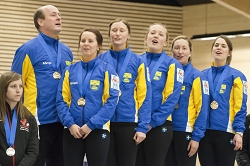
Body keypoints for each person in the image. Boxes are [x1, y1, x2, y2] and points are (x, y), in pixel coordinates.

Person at [11, 5, 73, 166]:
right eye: (53, 15)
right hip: (36, 122)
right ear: (40, 21)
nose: (59, 17)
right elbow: (12, 86)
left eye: (59, 14)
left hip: (63, 121)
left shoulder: (67, 51)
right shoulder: (27, 50)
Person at [56, 28, 119, 166]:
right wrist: (70, 124)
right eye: (83, 41)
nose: (86, 44)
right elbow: (61, 100)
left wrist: (91, 125)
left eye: (90, 41)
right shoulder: (69, 71)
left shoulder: (108, 70)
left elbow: (112, 101)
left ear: (98, 45)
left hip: (97, 130)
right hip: (72, 131)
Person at [98, 18, 151, 166]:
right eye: (114, 30)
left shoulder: (138, 61)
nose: (117, 34)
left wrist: (142, 127)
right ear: (109, 34)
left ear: (129, 35)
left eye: (122, 30)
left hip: (128, 122)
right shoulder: (100, 60)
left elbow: (145, 95)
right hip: (104, 123)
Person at [136, 23, 183, 166]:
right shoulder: (136, 61)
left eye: (160, 34)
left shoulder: (173, 64)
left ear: (166, 42)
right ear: (145, 38)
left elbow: (172, 98)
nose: (156, 36)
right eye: (152, 33)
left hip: (158, 125)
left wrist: (151, 123)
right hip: (136, 123)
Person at [198, 35, 248, 166]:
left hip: (226, 133)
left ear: (229, 52)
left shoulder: (237, 76)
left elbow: (240, 106)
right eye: (216, 45)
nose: (219, 48)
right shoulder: (202, 75)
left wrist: (239, 132)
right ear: (212, 50)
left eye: (223, 46)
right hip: (204, 134)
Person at [165, 35, 209, 166]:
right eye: (177, 48)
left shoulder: (197, 76)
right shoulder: (166, 73)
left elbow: (203, 109)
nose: (180, 51)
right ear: (171, 51)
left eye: (184, 48)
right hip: (164, 130)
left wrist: (196, 137)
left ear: (190, 52)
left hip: (185, 131)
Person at [0, 71, 39, 166]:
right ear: (3, 89)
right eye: (13, 86)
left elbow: (32, 150)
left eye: (20, 86)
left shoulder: (29, 117)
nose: (18, 90)